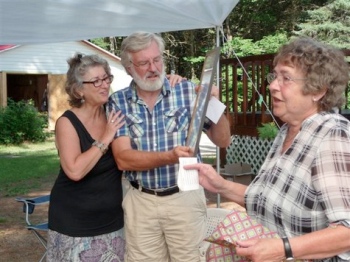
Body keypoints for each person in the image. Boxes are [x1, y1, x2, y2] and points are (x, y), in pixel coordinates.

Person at [184, 37, 350, 262]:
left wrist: (283, 248)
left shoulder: (332, 134)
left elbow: (346, 231)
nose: (272, 85)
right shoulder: (288, 130)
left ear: (318, 91)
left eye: (286, 78)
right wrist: (219, 185)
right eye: (275, 76)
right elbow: (267, 199)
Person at [47, 52, 184, 262]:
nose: (103, 85)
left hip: (112, 221)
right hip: (75, 222)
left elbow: (144, 91)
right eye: (95, 81)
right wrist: (105, 138)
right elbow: (74, 171)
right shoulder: (67, 122)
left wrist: (173, 80)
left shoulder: (114, 110)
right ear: (78, 90)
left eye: (106, 78)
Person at [107, 31, 231, 262]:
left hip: (184, 196)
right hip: (141, 201)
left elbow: (222, 140)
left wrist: (214, 102)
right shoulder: (119, 101)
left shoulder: (186, 90)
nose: (153, 67)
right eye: (144, 63)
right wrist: (169, 157)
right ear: (128, 68)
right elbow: (123, 159)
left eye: (157, 59)